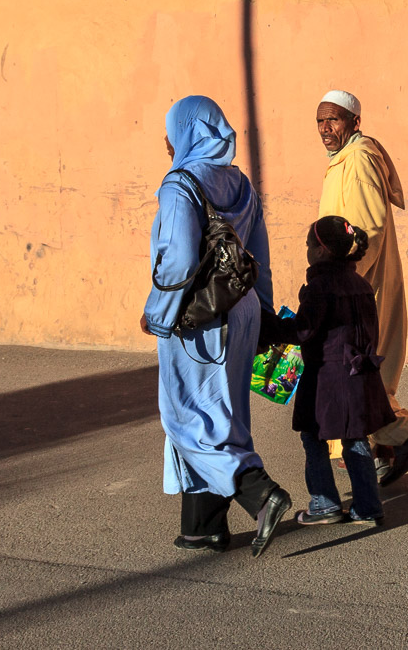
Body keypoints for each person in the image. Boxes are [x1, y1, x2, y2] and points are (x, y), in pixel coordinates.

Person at [141, 95, 291, 557]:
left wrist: (158, 314)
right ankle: (203, 524)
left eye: (171, 131)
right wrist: (262, 312)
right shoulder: (239, 182)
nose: (166, 141)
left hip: (200, 315)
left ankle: (259, 493)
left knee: (186, 417)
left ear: (187, 131)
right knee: (223, 414)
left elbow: (180, 258)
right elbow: (258, 254)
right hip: (241, 308)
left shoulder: (179, 184)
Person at [314, 90, 408, 486]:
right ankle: (383, 453)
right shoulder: (344, 159)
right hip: (351, 284)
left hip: (359, 286)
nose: (325, 128)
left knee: (355, 373)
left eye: (333, 120)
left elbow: (369, 225)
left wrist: (342, 281)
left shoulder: (361, 157)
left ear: (354, 122)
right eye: (320, 121)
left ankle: (404, 437)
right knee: (357, 372)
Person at [261, 216, 396, 526]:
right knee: (356, 439)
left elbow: (303, 331)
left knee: (313, 437)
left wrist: (266, 326)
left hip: (326, 378)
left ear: (320, 251)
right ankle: (368, 505)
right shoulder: (360, 284)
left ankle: (324, 504)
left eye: (309, 245)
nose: (307, 250)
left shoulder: (320, 287)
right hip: (359, 374)